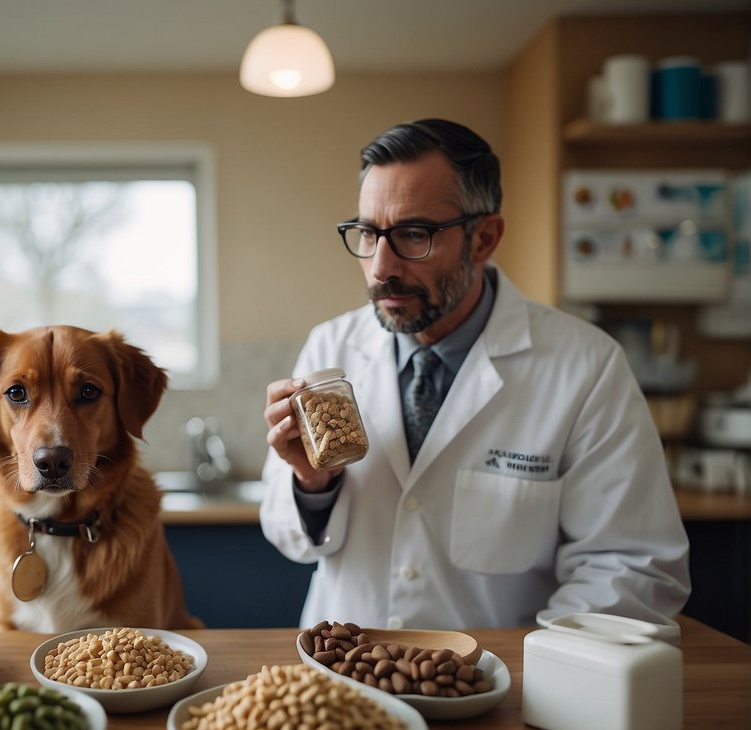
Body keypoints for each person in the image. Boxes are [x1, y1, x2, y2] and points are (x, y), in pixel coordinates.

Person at [260, 118, 690, 637]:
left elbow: (631, 564)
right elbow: (289, 536)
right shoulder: (330, 349)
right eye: (369, 233)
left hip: (503, 697)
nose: (381, 267)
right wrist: (312, 480)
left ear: (483, 237)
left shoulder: (587, 368)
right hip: (343, 679)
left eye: (414, 234)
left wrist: (526, 672)